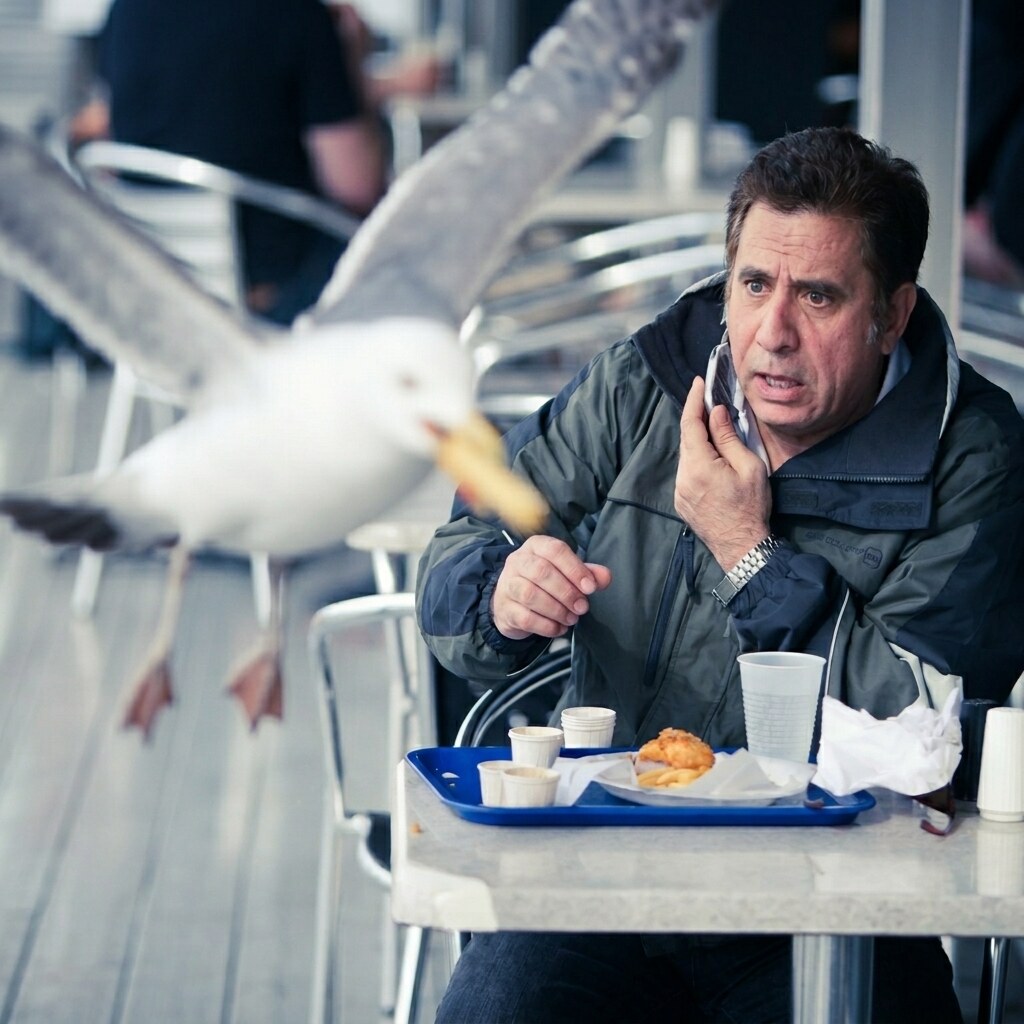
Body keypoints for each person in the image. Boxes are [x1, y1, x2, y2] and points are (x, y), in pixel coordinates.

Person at [415, 126, 1024, 1022]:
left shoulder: (976, 457)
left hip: (845, 907)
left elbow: (919, 739)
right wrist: (501, 597)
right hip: (597, 887)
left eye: (817, 297)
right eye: (754, 285)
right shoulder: (645, 383)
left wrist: (748, 552)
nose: (771, 334)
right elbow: (455, 557)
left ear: (891, 315)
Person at [95, 0, 389, 325]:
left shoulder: (125, 10)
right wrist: (352, 65)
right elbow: (357, 188)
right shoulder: (296, 13)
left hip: (153, 290)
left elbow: (111, 142)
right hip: (272, 299)